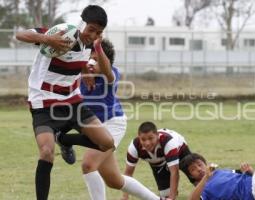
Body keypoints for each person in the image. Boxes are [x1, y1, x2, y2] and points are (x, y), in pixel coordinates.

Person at [16, 5, 115, 200]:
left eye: (99, 32)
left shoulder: (92, 44)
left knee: (107, 143)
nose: (94, 34)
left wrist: (96, 48)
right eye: (91, 29)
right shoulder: (62, 33)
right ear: (81, 24)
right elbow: (20, 35)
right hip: (44, 102)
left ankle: (63, 139)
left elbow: (109, 76)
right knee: (46, 152)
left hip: (73, 103)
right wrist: (46, 38)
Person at [58, 38, 161, 200]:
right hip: (93, 128)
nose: (91, 63)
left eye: (97, 60)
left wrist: (98, 48)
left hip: (112, 125)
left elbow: (106, 71)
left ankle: (64, 140)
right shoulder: (81, 75)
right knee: (114, 180)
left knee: (88, 165)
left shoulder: (111, 74)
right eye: (90, 58)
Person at [180, 144, 255, 200]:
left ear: (205, 163)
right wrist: (205, 178)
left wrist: (249, 172)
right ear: (190, 175)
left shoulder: (219, 172)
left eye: (199, 165)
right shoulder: (203, 190)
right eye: (193, 169)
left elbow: (241, 179)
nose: (199, 169)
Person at [122, 121, 193, 200]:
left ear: (157, 135)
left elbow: (174, 172)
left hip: (180, 150)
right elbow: (128, 174)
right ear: (139, 137)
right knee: (165, 195)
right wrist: (125, 197)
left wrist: (172, 198)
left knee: (195, 174)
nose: (147, 143)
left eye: (150, 138)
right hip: (158, 162)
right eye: (143, 139)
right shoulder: (134, 147)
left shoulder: (168, 142)